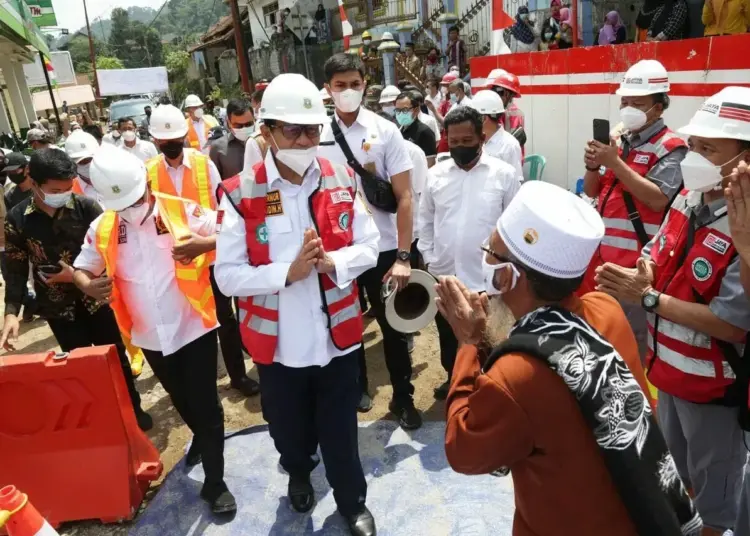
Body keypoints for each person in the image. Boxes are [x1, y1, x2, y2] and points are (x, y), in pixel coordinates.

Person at [440, 180, 699, 536]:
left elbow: (463, 449)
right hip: (637, 515)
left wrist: (469, 343)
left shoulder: (513, 377)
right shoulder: (606, 309)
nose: (484, 260)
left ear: (508, 276)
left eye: (490, 251)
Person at [214, 73, 379, 536]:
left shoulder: (341, 176)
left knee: (342, 430)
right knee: (288, 430)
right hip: (279, 345)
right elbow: (227, 276)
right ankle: (301, 475)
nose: (306, 140)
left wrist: (333, 262)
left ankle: (352, 503)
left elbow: (369, 244)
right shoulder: (239, 192)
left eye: (313, 130)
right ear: (266, 131)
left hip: (336, 340)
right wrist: (288, 272)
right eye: (294, 130)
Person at [595, 86, 750, 536]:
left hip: (713, 390)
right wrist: (646, 268)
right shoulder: (690, 196)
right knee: (678, 478)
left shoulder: (744, 229)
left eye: (708, 149)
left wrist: (647, 298)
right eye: (694, 145)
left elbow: (732, 323)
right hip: (666, 375)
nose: (694, 156)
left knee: (717, 499)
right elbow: (659, 248)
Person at [73, 146, 236, 515]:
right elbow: (83, 266)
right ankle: (202, 438)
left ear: (147, 184)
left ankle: (216, 482)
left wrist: (204, 243)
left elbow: (232, 230)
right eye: (122, 206)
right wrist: (86, 283)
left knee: (207, 406)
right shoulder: (104, 227)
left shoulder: (179, 209)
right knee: (180, 398)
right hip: (148, 336)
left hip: (192, 326)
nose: (132, 210)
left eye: (135, 200)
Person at [0, 149, 152, 431]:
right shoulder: (17, 219)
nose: (64, 194)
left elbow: (112, 254)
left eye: (68, 188)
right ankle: (104, 419)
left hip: (98, 300)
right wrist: (11, 312)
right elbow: (16, 268)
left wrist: (77, 278)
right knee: (80, 368)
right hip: (58, 309)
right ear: (34, 182)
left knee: (116, 358)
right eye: (56, 190)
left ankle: (133, 410)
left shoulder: (87, 208)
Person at [318, 53, 420, 428]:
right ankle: (358, 386)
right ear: (328, 88)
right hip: (338, 252)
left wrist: (404, 256)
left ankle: (403, 396)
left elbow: (406, 196)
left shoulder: (385, 130)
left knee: (393, 327)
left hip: (383, 249)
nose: (348, 92)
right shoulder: (317, 134)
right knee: (346, 324)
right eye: (340, 85)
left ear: (365, 85)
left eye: (355, 84)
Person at [148, 104, 259, 397]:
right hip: (175, 260)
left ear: (185, 135)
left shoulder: (202, 163)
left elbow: (221, 206)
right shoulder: (147, 172)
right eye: (164, 141)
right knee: (187, 318)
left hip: (209, 256)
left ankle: (237, 375)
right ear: (155, 141)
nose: (172, 145)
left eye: (176, 140)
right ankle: (197, 384)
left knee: (224, 317)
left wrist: (217, 241)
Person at [582, 59, 687, 358]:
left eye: (637, 103)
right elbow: (592, 190)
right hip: (604, 267)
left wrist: (614, 162)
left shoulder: (671, 148)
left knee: (632, 354)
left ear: (659, 106)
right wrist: (593, 164)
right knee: (602, 348)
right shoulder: (619, 142)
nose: (628, 108)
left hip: (637, 272)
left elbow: (657, 199)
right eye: (624, 101)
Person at [418, 106, 520, 399]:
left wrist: (502, 272)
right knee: (449, 337)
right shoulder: (435, 174)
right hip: (445, 276)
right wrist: (428, 256)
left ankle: (489, 390)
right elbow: (424, 220)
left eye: (466, 141)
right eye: (453, 142)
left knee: (490, 341)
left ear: (482, 138)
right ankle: (454, 381)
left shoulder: (504, 174)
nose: (460, 147)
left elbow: (511, 226)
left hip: (487, 283)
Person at [470, 90, 523, 181]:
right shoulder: (474, 140)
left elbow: (516, 181)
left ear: (483, 118)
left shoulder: (510, 145)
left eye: (472, 117)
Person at [209, 98, 260, 179]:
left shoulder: (265, 142)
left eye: (248, 124)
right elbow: (216, 182)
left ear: (254, 119)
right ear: (228, 123)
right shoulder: (217, 148)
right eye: (238, 126)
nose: (244, 128)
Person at [395, 91, 437, 166]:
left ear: (416, 110)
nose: (400, 114)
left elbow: (430, 163)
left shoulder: (425, 132)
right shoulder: (398, 132)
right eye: (398, 111)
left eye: (404, 110)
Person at [63, 130, 103, 203]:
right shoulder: (69, 191)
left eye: (90, 159)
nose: (88, 164)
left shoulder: (116, 178)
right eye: (81, 162)